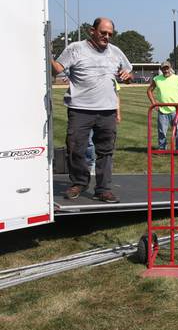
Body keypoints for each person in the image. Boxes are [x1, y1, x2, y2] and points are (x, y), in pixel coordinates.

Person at [50, 17, 132, 203]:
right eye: (103, 32)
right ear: (92, 31)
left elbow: (128, 74)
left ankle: (103, 189)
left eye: (110, 34)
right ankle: (79, 183)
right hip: (80, 109)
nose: (106, 37)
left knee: (105, 151)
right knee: (76, 149)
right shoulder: (75, 49)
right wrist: (47, 52)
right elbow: (57, 69)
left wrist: (127, 76)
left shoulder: (115, 52)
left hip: (107, 110)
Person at [147, 61, 178, 150]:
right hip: (162, 110)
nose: (166, 70)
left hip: (175, 110)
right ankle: (162, 148)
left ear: (170, 68)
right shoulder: (157, 79)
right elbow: (149, 91)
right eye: (164, 68)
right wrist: (154, 103)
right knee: (162, 131)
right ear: (161, 69)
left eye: (167, 68)